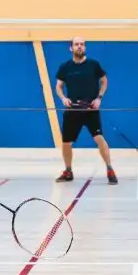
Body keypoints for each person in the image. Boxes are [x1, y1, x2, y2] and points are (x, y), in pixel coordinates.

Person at [54, 36, 117, 184]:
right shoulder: (65, 67)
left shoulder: (93, 65)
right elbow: (58, 86)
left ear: (85, 47)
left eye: (82, 44)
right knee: (66, 143)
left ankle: (109, 169)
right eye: (76, 44)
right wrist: (63, 98)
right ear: (71, 48)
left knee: (99, 139)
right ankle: (68, 171)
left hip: (90, 110)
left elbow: (104, 81)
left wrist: (99, 98)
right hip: (72, 111)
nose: (79, 46)